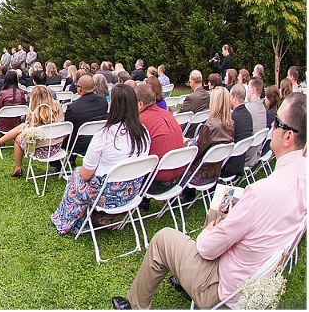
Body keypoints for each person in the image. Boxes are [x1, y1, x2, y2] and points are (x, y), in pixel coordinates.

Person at [112, 92, 306, 311]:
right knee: (223, 202)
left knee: (163, 239)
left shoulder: (259, 192)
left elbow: (206, 249)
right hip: (256, 267)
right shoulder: (303, 177)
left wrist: (209, 232)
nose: (272, 126)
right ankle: (188, 275)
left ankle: (135, 305)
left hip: (224, 290)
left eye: (277, 122)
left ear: (288, 137)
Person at [52, 84, 150, 234]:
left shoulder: (104, 135)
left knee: (76, 175)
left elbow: (85, 175)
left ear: (114, 105)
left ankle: (66, 221)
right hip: (132, 192)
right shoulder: (144, 133)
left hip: (107, 195)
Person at [0, 86, 63, 177]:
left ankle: (17, 167)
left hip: (44, 149)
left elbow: (31, 132)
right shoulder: (57, 106)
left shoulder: (36, 111)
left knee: (18, 138)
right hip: (57, 144)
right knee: (22, 126)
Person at [182, 87, 234, 198]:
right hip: (215, 173)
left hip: (199, 175)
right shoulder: (231, 124)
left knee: (179, 159)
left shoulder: (210, 127)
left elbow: (197, 153)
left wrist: (187, 144)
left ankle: (185, 194)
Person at [135, 85, 184, 197]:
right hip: (178, 177)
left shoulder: (140, 121)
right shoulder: (168, 114)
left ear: (140, 104)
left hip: (154, 183)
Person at [61, 75, 108, 168]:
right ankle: (71, 160)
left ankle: (63, 163)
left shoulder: (73, 107)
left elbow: (68, 129)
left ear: (80, 89)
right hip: (100, 140)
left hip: (79, 145)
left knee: (66, 135)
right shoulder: (103, 100)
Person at [0, 70, 27, 143]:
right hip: (18, 123)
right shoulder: (21, 93)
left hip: (4, 124)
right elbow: (24, 106)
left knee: (2, 116)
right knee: (6, 116)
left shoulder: (3, 93)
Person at [221, 84, 253, 178]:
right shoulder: (248, 116)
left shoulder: (232, 118)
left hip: (228, 166)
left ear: (234, 98)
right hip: (240, 162)